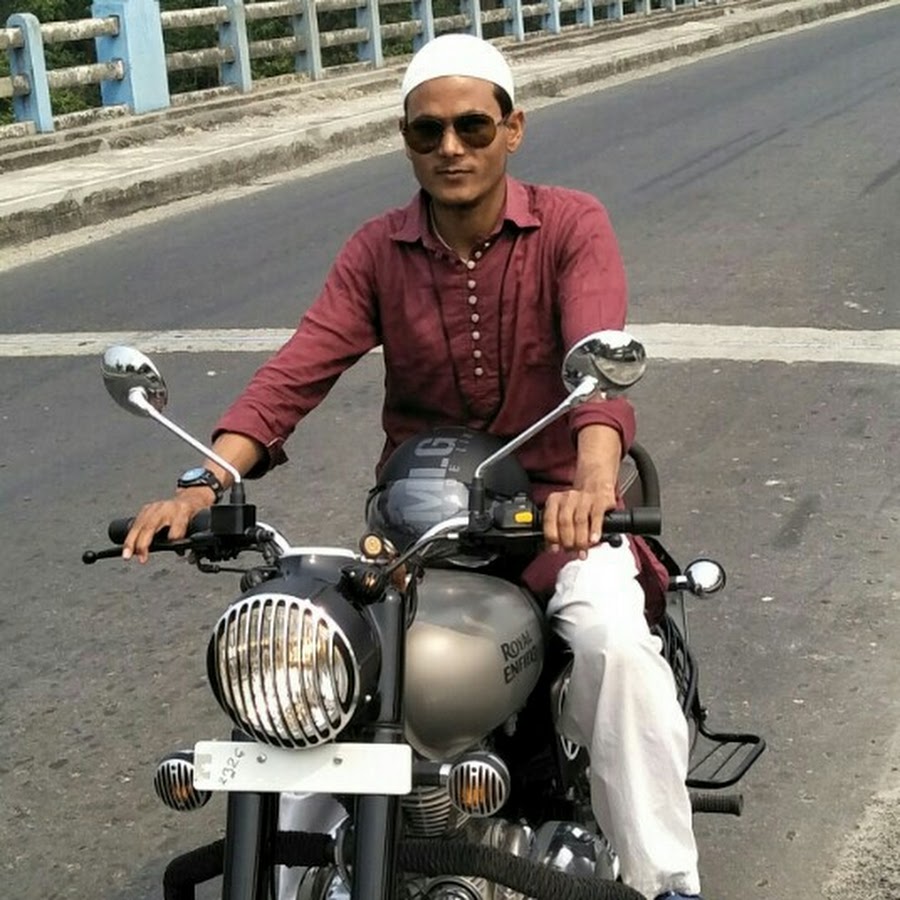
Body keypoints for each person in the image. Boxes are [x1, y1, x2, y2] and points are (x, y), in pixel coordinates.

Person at [122, 33, 703, 900]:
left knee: (614, 647)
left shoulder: (570, 225)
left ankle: (668, 881)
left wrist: (591, 483)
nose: (451, 148)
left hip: (555, 520)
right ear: (406, 140)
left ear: (513, 129)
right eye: (428, 131)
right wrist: (205, 481)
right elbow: (298, 369)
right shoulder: (376, 250)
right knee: (321, 680)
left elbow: (595, 363)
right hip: (419, 531)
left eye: (473, 127)